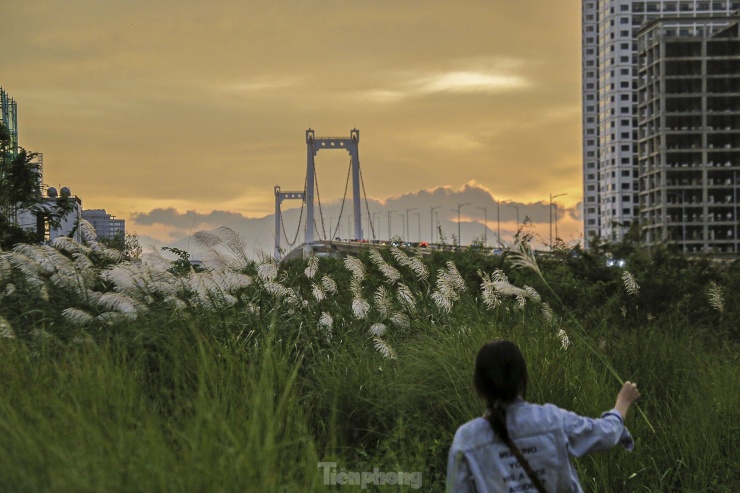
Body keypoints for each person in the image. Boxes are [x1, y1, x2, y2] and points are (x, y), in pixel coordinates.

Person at [447, 340, 641, 493]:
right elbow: (605, 434)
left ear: (479, 385)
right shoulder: (551, 419)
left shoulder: (467, 439)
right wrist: (622, 404)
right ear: (522, 379)